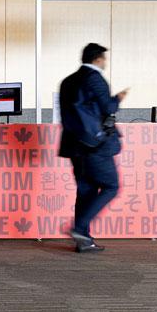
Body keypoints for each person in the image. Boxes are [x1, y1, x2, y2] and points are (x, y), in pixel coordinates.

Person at [58, 43, 128, 253]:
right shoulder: (95, 78)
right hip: (95, 144)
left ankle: (84, 240)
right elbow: (108, 108)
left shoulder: (68, 81)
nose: (105, 62)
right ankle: (79, 228)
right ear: (98, 59)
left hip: (74, 144)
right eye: (104, 59)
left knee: (86, 190)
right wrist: (119, 98)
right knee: (111, 186)